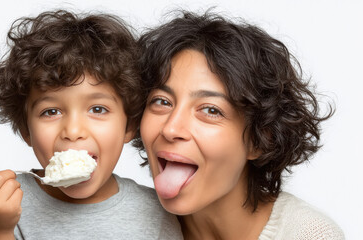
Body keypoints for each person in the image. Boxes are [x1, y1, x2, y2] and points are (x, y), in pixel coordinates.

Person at [0, 10, 182, 240]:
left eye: (97, 109)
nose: (73, 131)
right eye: (51, 111)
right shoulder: (4, 203)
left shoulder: (156, 213)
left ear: (129, 125)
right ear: (25, 130)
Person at [135, 10, 345, 239]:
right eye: (161, 102)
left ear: (259, 140)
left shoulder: (308, 234)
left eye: (210, 110)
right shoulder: (127, 225)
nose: (170, 128)